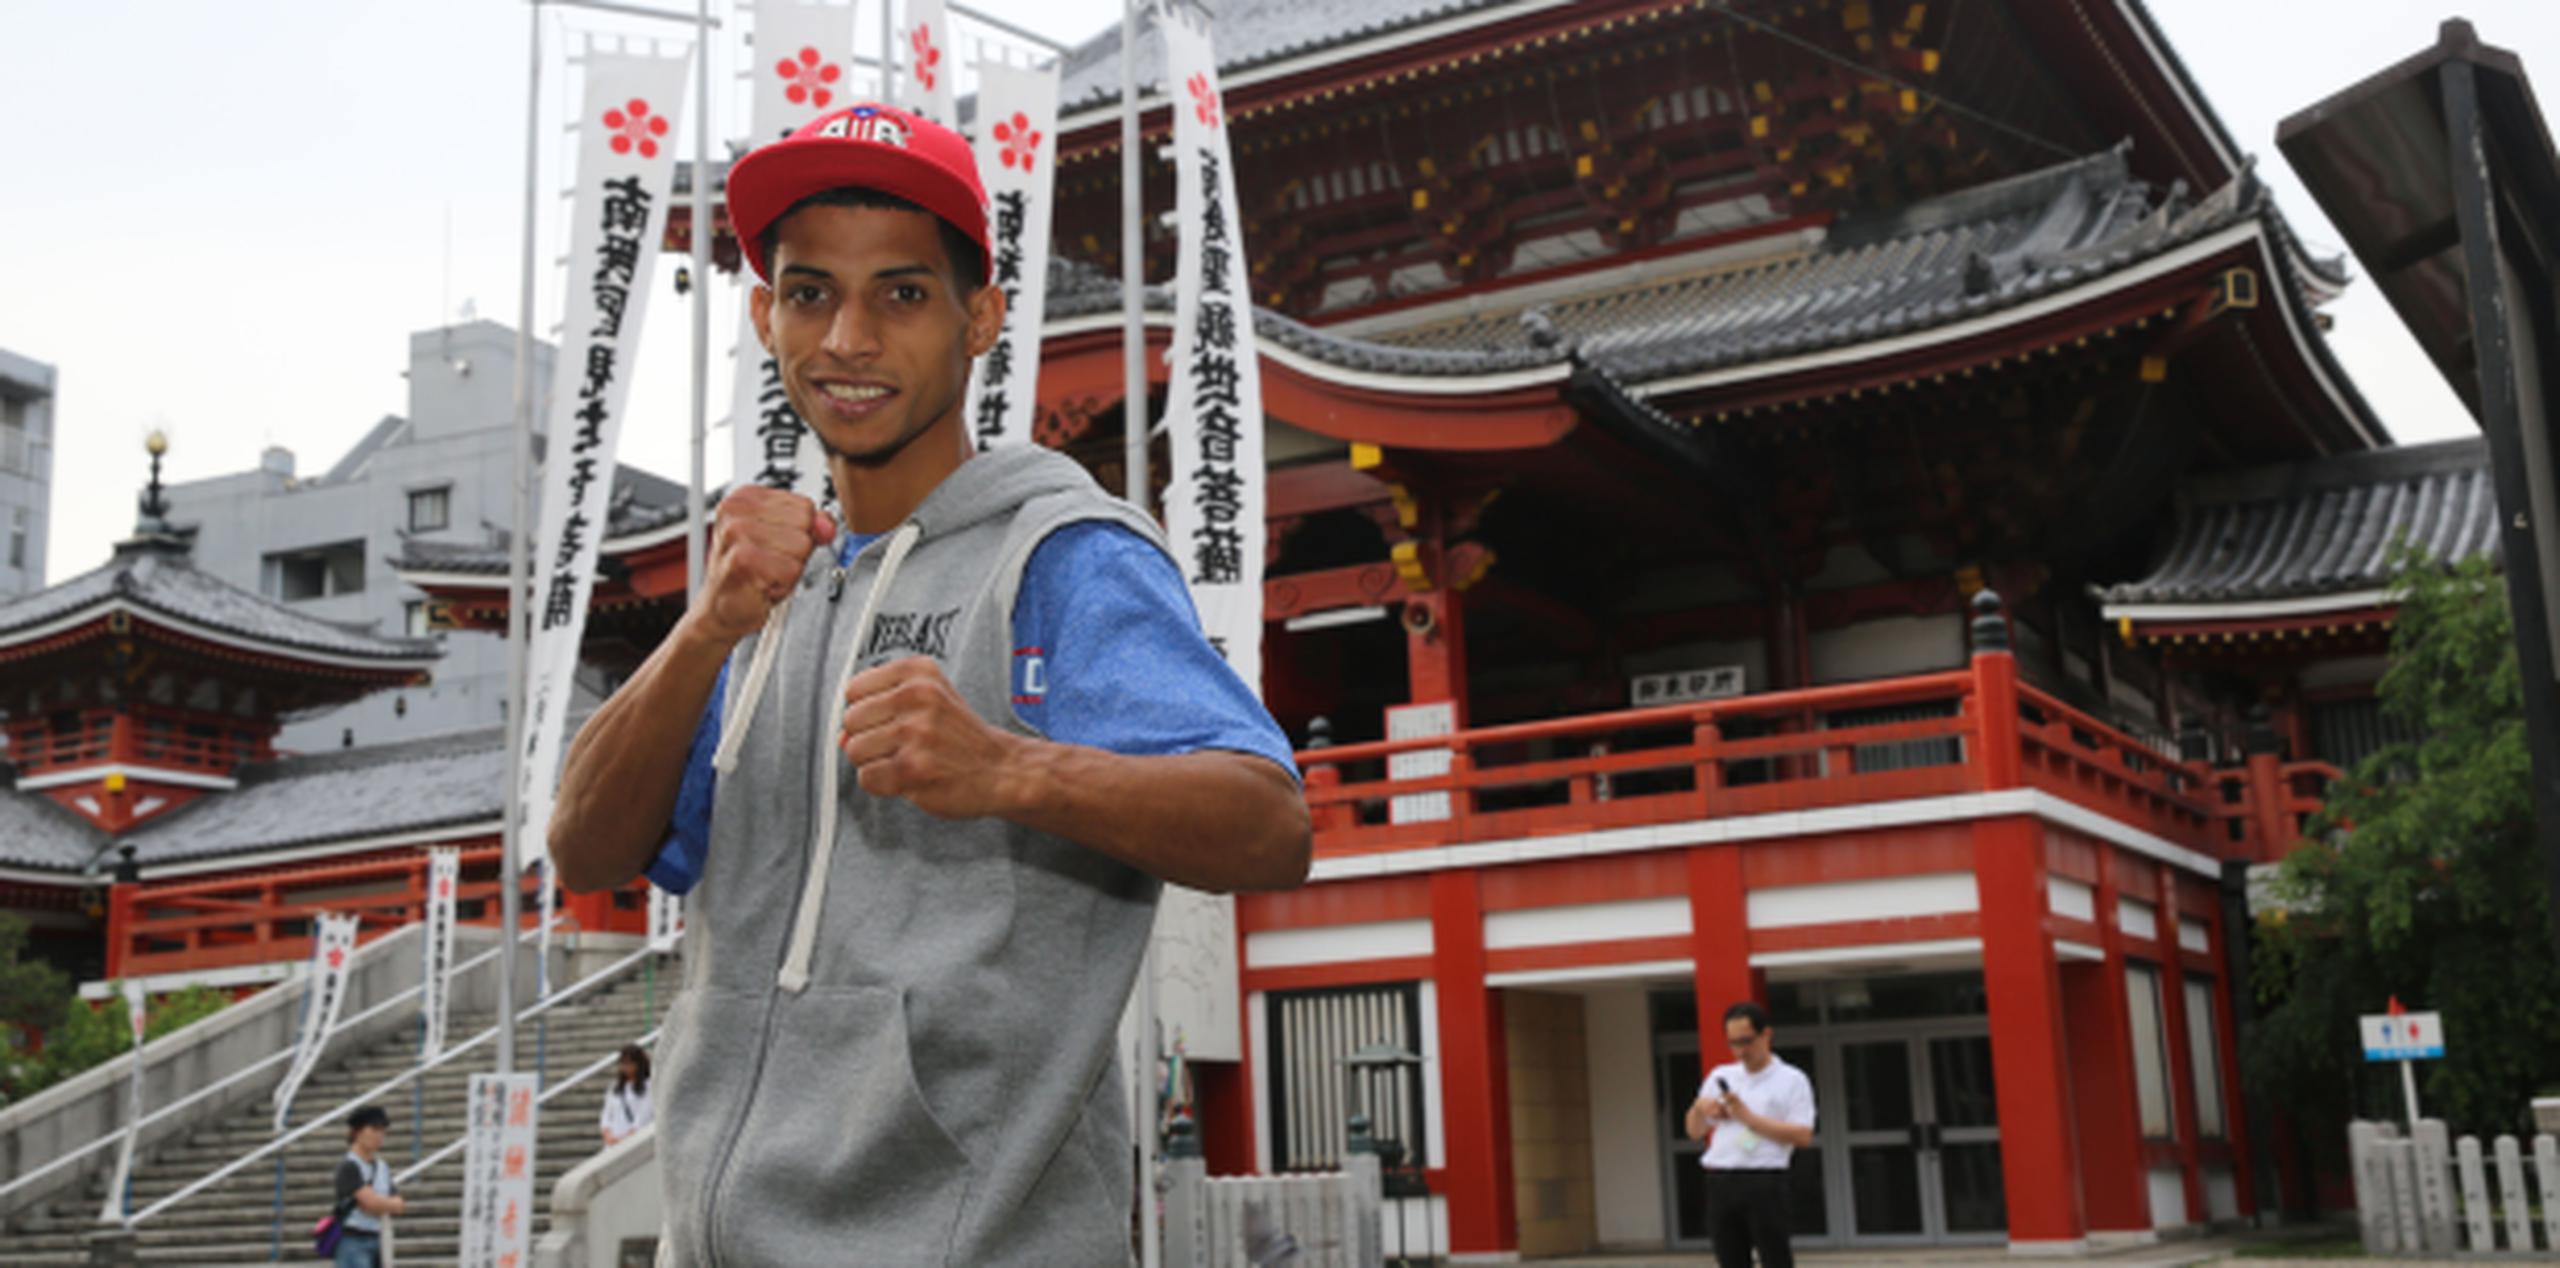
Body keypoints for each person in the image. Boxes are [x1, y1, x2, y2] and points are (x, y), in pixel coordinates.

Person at [548, 100, 1311, 1265]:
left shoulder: (1061, 557)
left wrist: (1013, 765)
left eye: (901, 293)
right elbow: (584, 850)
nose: (847, 336)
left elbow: (1270, 824)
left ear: (980, 318)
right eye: (810, 292)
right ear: (765, 314)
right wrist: (703, 629)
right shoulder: (758, 585)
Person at [1685, 1001, 1816, 1268]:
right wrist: (1700, 1108)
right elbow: (1694, 1131)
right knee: (1730, 1258)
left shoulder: (1791, 1079)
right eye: (1733, 1043)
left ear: (1766, 1035)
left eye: (1747, 1041)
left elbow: (1803, 1135)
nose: (1740, 1051)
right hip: (1721, 1178)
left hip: (1764, 1179)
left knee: (1774, 1257)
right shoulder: (1721, 1075)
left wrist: (1749, 1118)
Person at [330, 1105, 404, 1268]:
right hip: (352, 1240)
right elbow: (368, 1204)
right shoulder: (349, 1166)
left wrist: (378, 1202)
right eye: (374, 1129)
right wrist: (382, 1203)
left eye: (382, 1131)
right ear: (357, 1132)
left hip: (377, 1239)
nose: (379, 1136)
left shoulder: (382, 1167)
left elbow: (399, 1204)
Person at [599, 1043, 652, 1146]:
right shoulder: (614, 1087)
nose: (625, 1067)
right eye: (622, 1063)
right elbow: (606, 1115)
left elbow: (644, 1117)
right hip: (612, 1143)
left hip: (634, 1143)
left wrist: (624, 1140)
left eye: (629, 1063)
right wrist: (608, 1135)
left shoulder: (649, 1086)